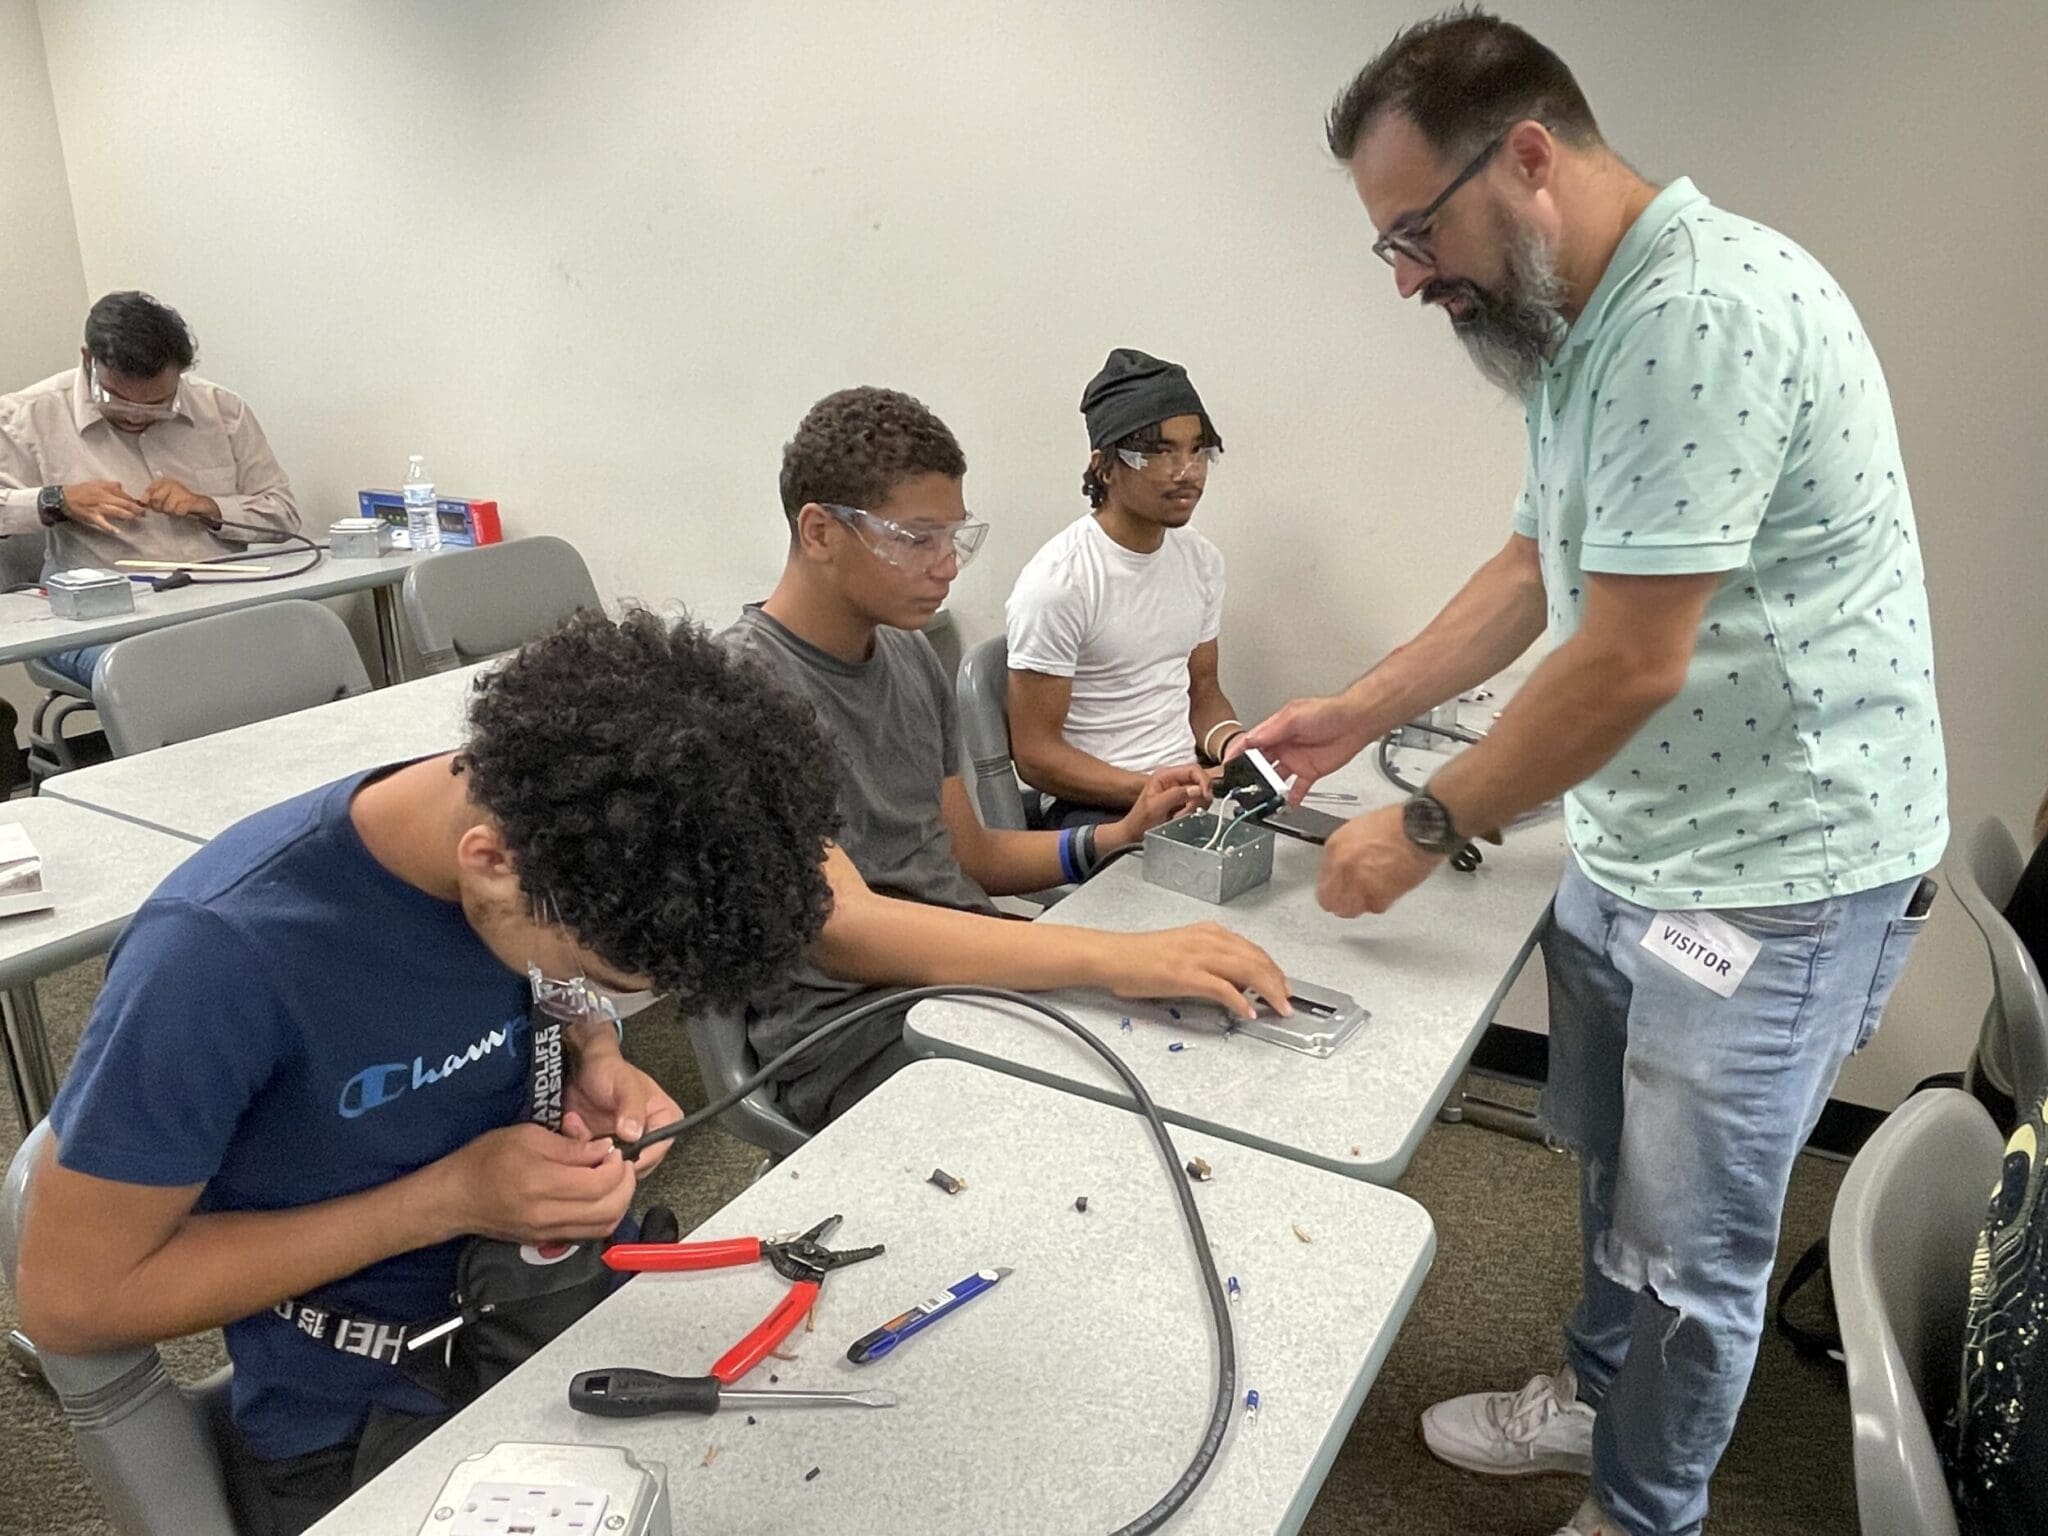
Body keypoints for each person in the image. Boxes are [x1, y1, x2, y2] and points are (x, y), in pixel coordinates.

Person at [1241, 13, 1948, 1534]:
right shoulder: (1580, 329)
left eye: (1417, 232)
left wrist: (1428, 821)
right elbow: (1532, 563)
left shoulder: (1704, 315)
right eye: (1391, 250)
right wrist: (1356, 712)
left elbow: (1630, 657)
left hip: (1778, 880)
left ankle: (1649, 1510)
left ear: (1533, 157)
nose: (1413, 277)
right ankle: (1592, 1399)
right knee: (1617, 1183)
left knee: (1698, 1248)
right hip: (1644, 849)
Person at [14, 609, 845, 1534]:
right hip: (362, 1418)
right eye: (600, 976)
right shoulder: (222, 959)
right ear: (488, 865)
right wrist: (445, 1199)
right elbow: (72, 1303)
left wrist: (598, 1049)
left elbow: (547, 973)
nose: (593, 994)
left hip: (540, 1313)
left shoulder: (551, 828)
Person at [722, 385, 1288, 1129]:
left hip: (961, 978)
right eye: (915, 538)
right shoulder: (740, 692)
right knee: (1118, 1109)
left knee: (1197, 1044)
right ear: (821, 531)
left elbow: (973, 858)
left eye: (955, 538)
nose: (946, 567)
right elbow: (845, 931)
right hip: (849, 1029)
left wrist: (1117, 835)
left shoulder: (909, 657)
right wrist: (1113, 958)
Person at [0, 291, 301, 687]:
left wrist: (209, 507)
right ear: (88, 360)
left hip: (219, 599)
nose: (136, 417)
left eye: (159, 405)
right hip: (99, 618)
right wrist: (56, 500)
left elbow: (283, 514)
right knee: (169, 681)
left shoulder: (222, 411)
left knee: (310, 647)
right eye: (118, 400)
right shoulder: (28, 416)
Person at [1004, 349, 1240, 827]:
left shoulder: (1200, 561)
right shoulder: (1058, 583)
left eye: (1197, 450)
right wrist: (1153, 789)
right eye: (1159, 452)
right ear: (1105, 467)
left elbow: (1203, 690)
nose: (1186, 471)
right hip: (1093, 804)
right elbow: (1035, 755)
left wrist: (1235, 748)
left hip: (1184, 785)